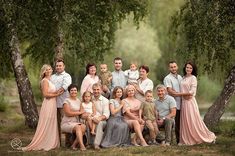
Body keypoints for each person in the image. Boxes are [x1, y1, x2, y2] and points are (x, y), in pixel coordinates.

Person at [22, 64, 62, 151]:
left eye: (50, 69)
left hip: (53, 103)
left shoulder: (50, 80)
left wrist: (58, 91)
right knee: (47, 121)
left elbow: (51, 91)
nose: (48, 71)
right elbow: (46, 94)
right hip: (48, 103)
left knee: (51, 121)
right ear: (44, 72)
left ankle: (50, 141)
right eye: (46, 70)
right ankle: (44, 141)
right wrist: (57, 94)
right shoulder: (44, 81)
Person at [178, 61, 216, 145]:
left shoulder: (193, 78)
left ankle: (205, 137)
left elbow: (191, 92)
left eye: (190, 68)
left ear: (193, 69)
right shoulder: (183, 77)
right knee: (186, 121)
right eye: (187, 67)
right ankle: (186, 139)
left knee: (193, 121)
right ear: (185, 68)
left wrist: (179, 94)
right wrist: (182, 95)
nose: (188, 69)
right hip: (184, 102)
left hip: (190, 102)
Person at [51, 59, 72, 143]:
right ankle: (57, 142)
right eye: (57, 66)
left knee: (66, 123)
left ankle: (68, 142)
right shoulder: (52, 77)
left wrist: (53, 94)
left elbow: (64, 88)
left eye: (60, 65)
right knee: (55, 124)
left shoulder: (67, 76)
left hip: (64, 104)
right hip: (53, 104)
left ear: (64, 66)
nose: (58, 67)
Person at [61, 84, 87, 151]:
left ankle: (73, 145)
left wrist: (88, 115)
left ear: (77, 91)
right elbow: (68, 113)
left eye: (75, 90)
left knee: (83, 127)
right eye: (71, 90)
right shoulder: (66, 101)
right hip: (67, 122)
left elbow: (82, 111)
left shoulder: (78, 101)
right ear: (69, 92)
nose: (73, 92)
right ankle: (82, 146)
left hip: (76, 122)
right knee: (78, 127)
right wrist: (79, 112)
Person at [163, 61, 183, 144]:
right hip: (173, 104)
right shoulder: (167, 78)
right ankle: (178, 141)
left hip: (183, 103)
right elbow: (170, 91)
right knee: (177, 123)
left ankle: (183, 139)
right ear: (169, 68)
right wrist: (183, 94)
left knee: (182, 123)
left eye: (174, 66)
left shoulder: (180, 77)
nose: (173, 68)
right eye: (171, 67)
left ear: (177, 67)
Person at [91, 83, 110, 149]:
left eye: (98, 89)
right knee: (87, 121)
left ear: (101, 90)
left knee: (100, 123)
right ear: (92, 90)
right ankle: (89, 142)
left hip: (102, 120)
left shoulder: (105, 101)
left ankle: (96, 144)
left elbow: (106, 114)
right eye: (94, 90)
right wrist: (92, 118)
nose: (96, 91)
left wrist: (99, 118)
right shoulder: (90, 99)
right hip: (91, 118)